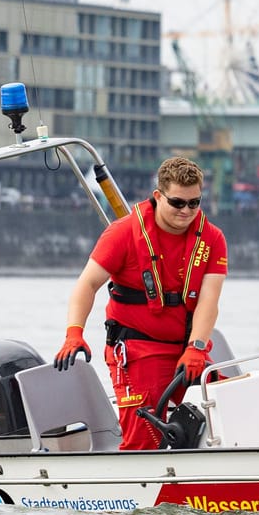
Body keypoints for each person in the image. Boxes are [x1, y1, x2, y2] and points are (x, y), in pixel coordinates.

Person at [54, 156, 228, 450]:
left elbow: (209, 301)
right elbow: (87, 284)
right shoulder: (122, 234)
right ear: (158, 196)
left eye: (194, 203)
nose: (186, 211)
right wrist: (74, 333)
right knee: (144, 439)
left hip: (187, 351)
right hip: (137, 351)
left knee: (227, 407)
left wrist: (196, 348)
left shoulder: (212, 239)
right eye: (177, 203)